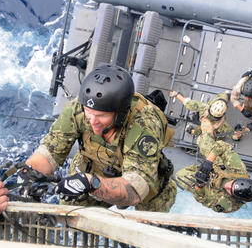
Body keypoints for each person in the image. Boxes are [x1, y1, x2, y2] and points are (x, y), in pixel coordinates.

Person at [25, 64, 176, 212]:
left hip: (141, 177)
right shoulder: (79, 107)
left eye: (101, 116)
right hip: (93, 168)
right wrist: (29, 173)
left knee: (151, 226)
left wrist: (91, 184)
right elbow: (50, 152)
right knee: (69, 211)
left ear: (120, 112)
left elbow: (135, 190)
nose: (92, 121)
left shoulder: (144, 123)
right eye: (88, 113)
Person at [171, 133, 252, 213]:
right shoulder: (238, 170)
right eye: (232, 183)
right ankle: (211, 135)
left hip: (207, 185)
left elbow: (202, 199)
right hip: (216, 167)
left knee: (180, 175)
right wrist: (208, 162)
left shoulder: (225, 204)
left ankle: (198, 170)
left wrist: (199, 184)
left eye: (230, 190)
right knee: (203, 139)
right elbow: (223, 147)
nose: (227, 186)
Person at [168, 90, 242, 142]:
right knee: (224, 96)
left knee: (201, 132)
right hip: (206, 127)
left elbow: (188, 102)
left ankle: (192, 131)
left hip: (203, 126)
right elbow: (233, 135)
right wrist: (237, 135)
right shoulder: (222, 125)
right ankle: (192, 131)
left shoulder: (203, 107)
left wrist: (176, 95)